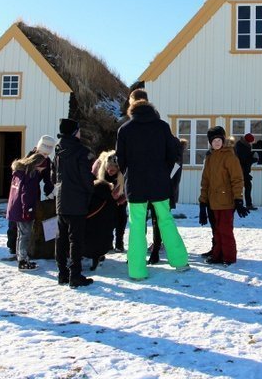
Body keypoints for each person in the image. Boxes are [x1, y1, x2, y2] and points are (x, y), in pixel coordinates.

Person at [116, 89, 189, 280]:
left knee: (137, 225)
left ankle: (137, 270)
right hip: (159, 183)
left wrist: (130, 173)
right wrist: (163, 172)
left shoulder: (124, 130)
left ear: (132, 109)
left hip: (135, 185)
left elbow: (121, 160)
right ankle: (180, 261)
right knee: (165, 220)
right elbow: (173, 154)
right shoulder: (162, 127)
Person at [52, 118, 95, 288]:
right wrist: (90, 190)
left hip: (61, 199)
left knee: (60, 238)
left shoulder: (58, 150)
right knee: (75, 239)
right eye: (78, 130)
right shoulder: (80, 151)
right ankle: (75, 275)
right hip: (77, 200)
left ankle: (62, 273)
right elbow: (86, 178)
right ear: (74, 132)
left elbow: (53, 175)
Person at [198, 127, 248, 266]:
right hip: (212, 201)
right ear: (210, 142)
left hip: (226, 201)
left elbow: (237, 179)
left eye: (219, 140)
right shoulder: (210, 157)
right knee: (216, 230)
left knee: (225, 230)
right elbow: (205, 181)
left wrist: (238, 199)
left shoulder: (229, 156)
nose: (217, 143)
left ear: (223, 140)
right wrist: (203, 202)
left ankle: (229, 257)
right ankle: (217, 255)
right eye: (214, 140)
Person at [6, 136, 56, 260]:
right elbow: (26, 184)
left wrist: (49, 192)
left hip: (28, 194)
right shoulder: (30, 161)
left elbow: (47, 180)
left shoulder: (46, 161)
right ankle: (16, 250)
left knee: (25, 226)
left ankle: (24, 249)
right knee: (19, 225)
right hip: (25, 194)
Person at [91, 151, 128, 252]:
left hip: (119, 195)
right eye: (108, 169)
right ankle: (108, 242)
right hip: (103, 195)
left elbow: (128, 192)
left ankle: (119, 242)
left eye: (112, 170)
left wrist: (119, 201)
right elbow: (91, 184)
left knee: (121, 216)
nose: (109, 171)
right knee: (106, 219)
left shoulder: (124, 171)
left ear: (118, 168)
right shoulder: (98, 166)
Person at [234, 133, 258, 210]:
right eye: (251, 141)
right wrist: (254, 159)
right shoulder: (243, 147)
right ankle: (247, 204)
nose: (251, 143)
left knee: (242, 187)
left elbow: (245, 156)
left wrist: (252, 154)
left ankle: (242, 204)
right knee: (245, 187)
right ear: (248, 141)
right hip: (241, 171)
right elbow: (244, 160)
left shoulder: (241, 145)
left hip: (241, 170)